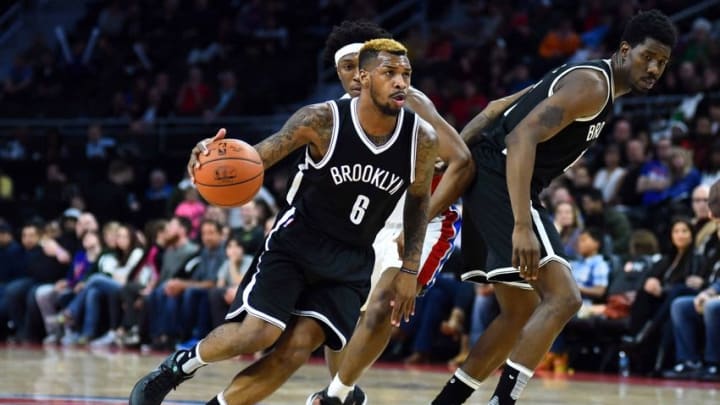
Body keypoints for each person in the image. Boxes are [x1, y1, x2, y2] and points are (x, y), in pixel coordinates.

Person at [129, 38, 438, 405]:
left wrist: (410, 268)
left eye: (406, 74)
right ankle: (178, 367)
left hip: (351, 257)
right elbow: (255, 159)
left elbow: (419, 198)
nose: (401, 82)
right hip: (298, 242)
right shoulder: (321, 121)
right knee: (257, 333)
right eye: (390, 73)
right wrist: (210, 159)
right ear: (365, 77)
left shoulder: (423, 138)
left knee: (295, 351)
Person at [431, 10, 677, 405]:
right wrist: (522, 225)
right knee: (564, 298)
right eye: (648, 56)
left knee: (519, 313)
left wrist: (458, 157)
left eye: (662, 63)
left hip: (492, 179)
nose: (654, 68)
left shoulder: (591, 82)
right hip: (502, 181)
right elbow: (521, 136)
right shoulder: (593, 86)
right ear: (626, 50)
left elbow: (497, 106)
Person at [307, 20, 475, 404]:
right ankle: (347, 393)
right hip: (376, 222)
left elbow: (461, 163)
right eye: (346, 69)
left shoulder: (410, 101)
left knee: (383, 303)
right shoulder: (340, 117)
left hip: (427, 219)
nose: (354, 76)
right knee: (335, 306)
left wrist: (420, 222)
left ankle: (335, 395)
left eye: (358, 66)